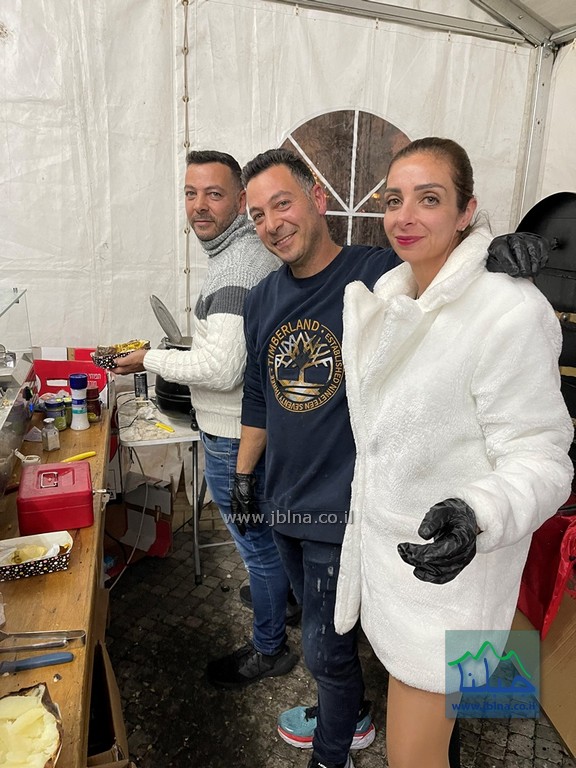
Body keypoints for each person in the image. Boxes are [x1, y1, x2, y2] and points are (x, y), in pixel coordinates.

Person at [232, 147, 551, 768]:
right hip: (314, 511)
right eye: (258, 214)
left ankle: (338, 747)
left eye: (283, 203)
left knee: (345, 660)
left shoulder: (375, 273)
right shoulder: (285, 296)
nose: (272, 223)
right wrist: (245, 476)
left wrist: (494, 251)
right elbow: (258, 393)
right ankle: (365, 720)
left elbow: (449, 271)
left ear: (317, 199)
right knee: (368, 664)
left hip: (378, 525)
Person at [333, 137, 573, 768]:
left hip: (455, 589)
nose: (405, 216)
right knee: (443, 740)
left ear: (467, 211)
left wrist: (478, 513)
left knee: (414, 757)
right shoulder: (391, 297)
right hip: (405, 577)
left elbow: (545, 457)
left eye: (430, 199)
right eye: (394, 200)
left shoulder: (509, 311)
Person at [112, 149, 299, 689]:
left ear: (239, 201)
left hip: (234, 434)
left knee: (256, 547)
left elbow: (222, 368)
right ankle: (283, 602)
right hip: (253, 428)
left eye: (214, 194)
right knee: (267, 541)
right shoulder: (239, 253)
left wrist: (149, 358)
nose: (199, 206)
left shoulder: (238, 264)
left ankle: (270, 649)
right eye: (191, 194)